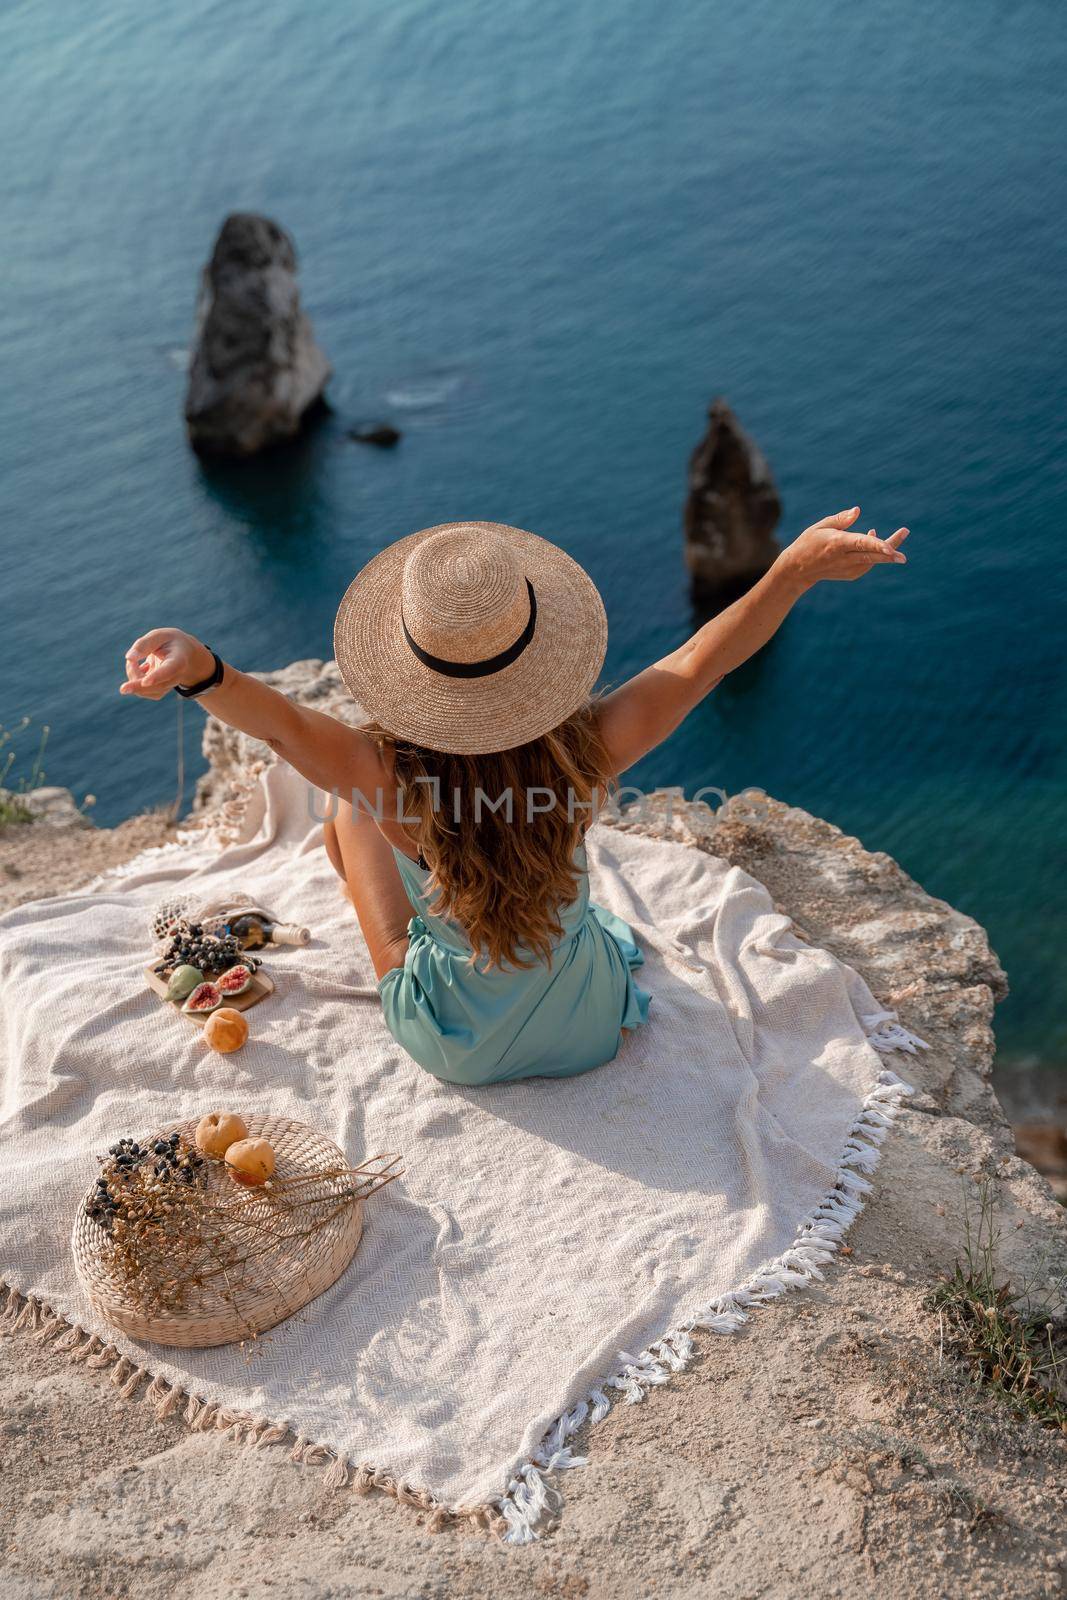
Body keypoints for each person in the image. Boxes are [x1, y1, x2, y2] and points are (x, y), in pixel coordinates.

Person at [121, 508, 908, 1086]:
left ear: (411, 668)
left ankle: (411, 949)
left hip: (455, 1043)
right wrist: (793, 570)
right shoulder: (583, 758)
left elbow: (286, 726)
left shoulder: (390, 784)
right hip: (591, 1026)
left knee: (345, 813)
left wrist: (201, 670)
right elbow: (704, 659)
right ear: (538, 658)